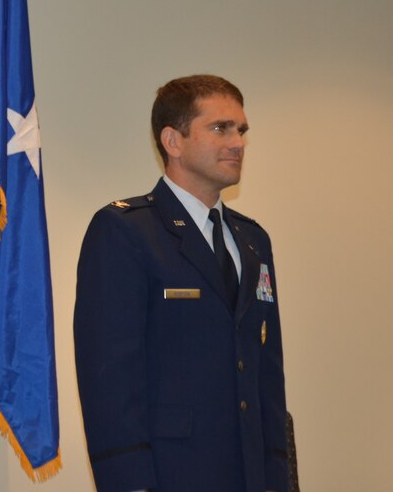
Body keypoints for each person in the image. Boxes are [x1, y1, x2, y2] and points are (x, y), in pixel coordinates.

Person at [74, 75, 289, 492]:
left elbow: (268, 376)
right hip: (169, 474)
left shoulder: (252, 240)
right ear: (173, 141)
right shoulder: (127, 232)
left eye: (241, 130)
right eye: (220, 128)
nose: (238, 142)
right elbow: (110, 382)